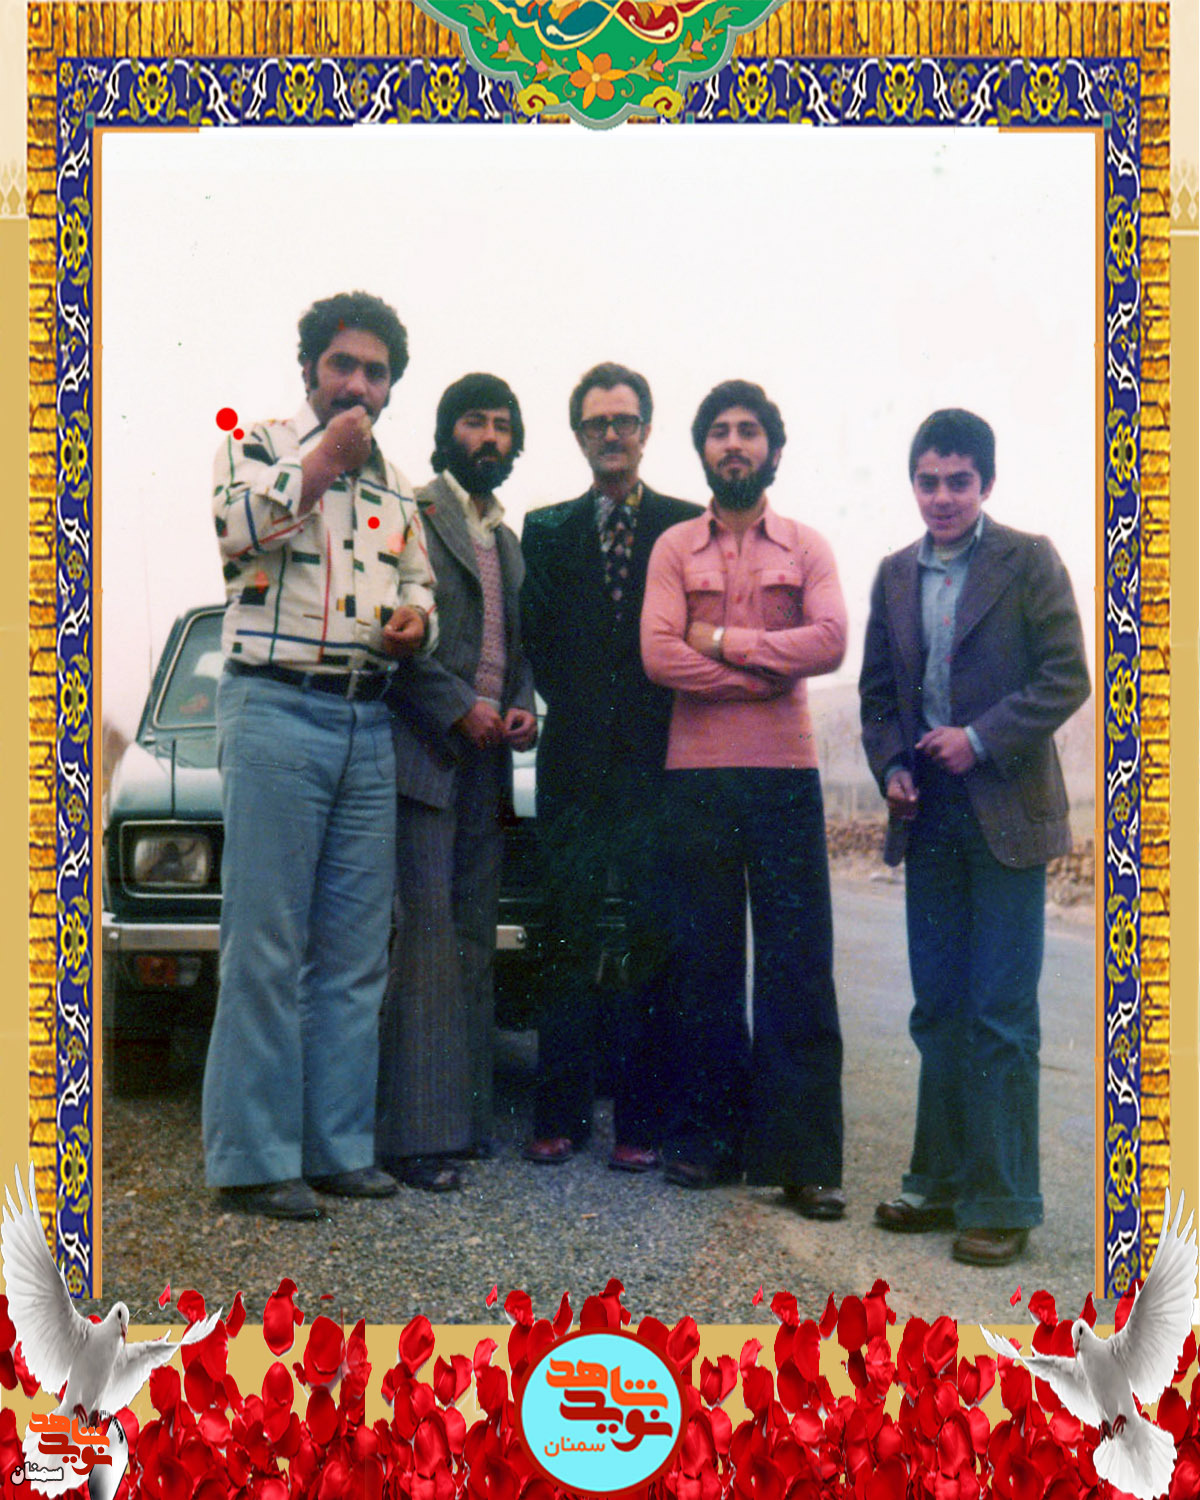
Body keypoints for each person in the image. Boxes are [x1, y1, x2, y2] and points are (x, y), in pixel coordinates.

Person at [203, 291, 437, 1220]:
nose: (359, 385)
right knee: (265, 945)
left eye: (376, 372)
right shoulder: (253, 442)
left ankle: (336, 1148)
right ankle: (253, 1162)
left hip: (366, 718)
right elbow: (237, 531)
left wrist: (418, 620)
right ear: (310, 368)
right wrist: (323, 459)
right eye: (343, 364)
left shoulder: (398, 486)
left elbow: (418, 581)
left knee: (353, 952)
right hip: (273, 706)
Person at [859, 408, 1090, 1267]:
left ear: (986, 483)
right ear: (913, 484)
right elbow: (877, 698)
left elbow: (1067, 675)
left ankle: (1002, 1203)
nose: (943, 497)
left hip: (1006, 813)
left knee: (999, 1010)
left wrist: (980, 739)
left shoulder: (1028, 559)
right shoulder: (893, 574)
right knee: (939, 1008)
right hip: (929, 816)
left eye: (959, 481)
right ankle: (937, 1182)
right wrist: (894, 766)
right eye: (928, 481)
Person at [641, 379, 848, 1218]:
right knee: (705, 960)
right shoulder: (673, 548)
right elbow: (658, 654)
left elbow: (829, 642)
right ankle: (709, 1142)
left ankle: (805, 1162)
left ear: (773, 449)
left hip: (784, 775)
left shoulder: (807, 545)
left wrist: (724, 642)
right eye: (720, 431)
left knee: (799, 961)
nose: (734, 443)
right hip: (695, 777)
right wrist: (765, 672)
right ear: (702, 450)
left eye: (749, 431)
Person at [519, 362, 702, 1170]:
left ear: (647, 430)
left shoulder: (685, 523)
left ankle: (641, 1123)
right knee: (565, 930)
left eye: (624, 420)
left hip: (663, 760)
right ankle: (558, 1115)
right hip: (575, 761)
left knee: (652, 933)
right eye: (596, 423)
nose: (611, 435)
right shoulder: (546, 528)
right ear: (579, 435)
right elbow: (539, 639)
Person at [376, 374, 537, 1191]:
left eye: (503, 425)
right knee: (428, 941)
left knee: (475, 940)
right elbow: (392, 636)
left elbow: (516, 648)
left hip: (487, 764)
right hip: (426, 756)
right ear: (448, 432)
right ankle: (414, 1140)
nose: (490, 437)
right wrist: (457, 707)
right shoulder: (411, 511)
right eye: (475, 421)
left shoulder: (506, 537)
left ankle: (464, 1123)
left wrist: (520, 705)